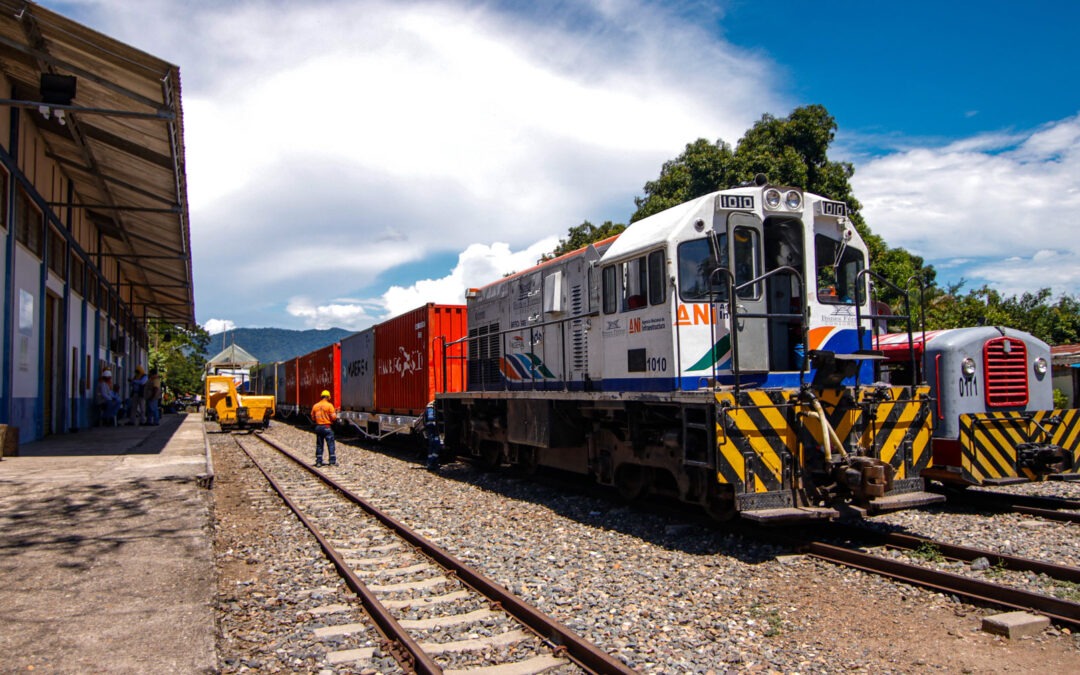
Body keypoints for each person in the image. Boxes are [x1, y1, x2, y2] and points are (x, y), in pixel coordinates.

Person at [311, 389, 338, 467]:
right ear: (328, 397)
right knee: (330, 444)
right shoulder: (329, 405)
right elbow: (334, 417)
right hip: (327, 427)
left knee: (319, 444)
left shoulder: (315, 406)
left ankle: (319, 461)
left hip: (318, 427)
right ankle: (332, 461)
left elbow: (312, 417)